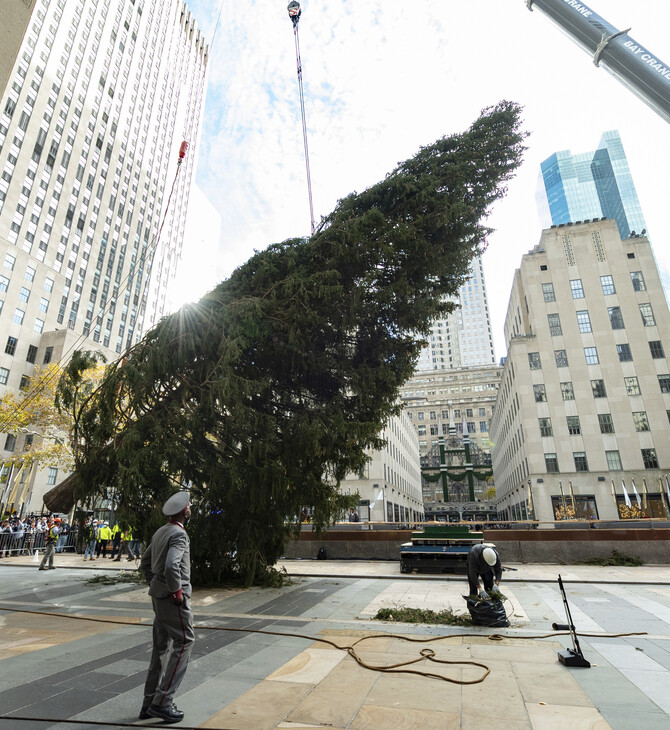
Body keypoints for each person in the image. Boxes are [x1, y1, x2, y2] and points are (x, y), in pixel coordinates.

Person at [139, 492, 194, 724]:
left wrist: (152, 580)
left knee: (160, 649)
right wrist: (176, 591)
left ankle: (149, 704)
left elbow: (145, 561)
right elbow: (173, 565)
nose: (191, 508)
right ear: (185, 511)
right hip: (173, 599)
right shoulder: (179, 534)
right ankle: (163, 703)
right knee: (185, 642)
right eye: (189, 506)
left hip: (157, 597)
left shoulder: (160, 531)